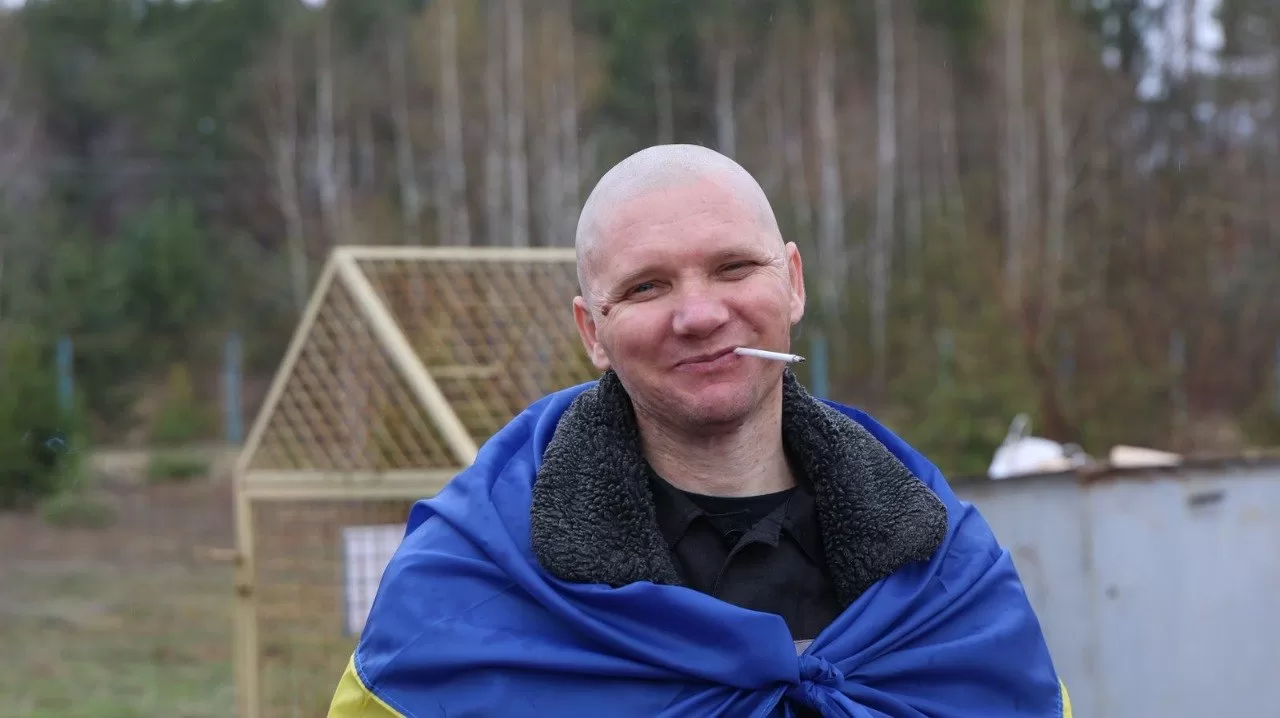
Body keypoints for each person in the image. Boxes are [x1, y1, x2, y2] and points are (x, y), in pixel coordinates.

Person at [327, 145, 1071, 717]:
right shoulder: (469, 580)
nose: (701, 315)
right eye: (647, 286)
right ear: (592, 331)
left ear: (793, 282)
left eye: (733, 267)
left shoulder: (944, 568)